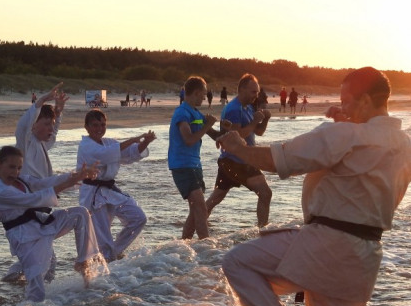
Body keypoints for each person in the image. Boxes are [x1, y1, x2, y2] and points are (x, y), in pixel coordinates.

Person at [219, 67, 411, 306]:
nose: (342, 107)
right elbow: (365, 178)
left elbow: (280, 159)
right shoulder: (408, 148)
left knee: (238, 262)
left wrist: (238, 148)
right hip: (364, 257)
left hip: (324, 245)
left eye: (347, 101)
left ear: (366, 101)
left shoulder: (344, 136)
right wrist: (349, 124)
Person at [0, 146, 103, 302]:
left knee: (80, 214)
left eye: (19, 168)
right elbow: (34, 199)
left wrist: (77, 175)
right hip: (24, 237)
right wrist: (68, 183)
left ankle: (83, 262)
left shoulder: (20, 180)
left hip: (41, 224)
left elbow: (45, 183)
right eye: (11, 167)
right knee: (37, 290)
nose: (15, 172)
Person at [5, 83, 68, 281]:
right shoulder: (26, 144)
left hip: (39, 210)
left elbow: (53, 134)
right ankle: (43, 296)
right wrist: (41, 101)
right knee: (49, 262)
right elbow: (23, 126)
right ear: (34, 125)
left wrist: (58, 112)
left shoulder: (41, 144)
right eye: (46, 124)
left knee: (31, 262)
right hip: (29, 212)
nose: (51, 128)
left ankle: (7, 289)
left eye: (52, 124)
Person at [76, 109, 156, 261]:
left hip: (110, 191)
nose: (100, 128)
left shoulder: (109, 142)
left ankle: (115, 251)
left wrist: (145, 142)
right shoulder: (86, 145)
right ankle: (106, 261)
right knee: (104, 239)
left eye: (103, 125)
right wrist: (132, 140)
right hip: (92, 194)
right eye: (95, 125)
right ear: (86, 127)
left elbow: (130, 153)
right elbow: (105, 155)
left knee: (138, 218)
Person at [206, 73, 273, 228]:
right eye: (253, 92)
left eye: (257, 92)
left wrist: (265, 119)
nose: (256, 95)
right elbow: (238, 137)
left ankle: (197, 222)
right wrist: (255, 121)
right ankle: (263, 231)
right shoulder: (234, 109)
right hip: (235, 161)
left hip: (242, 160)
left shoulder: (248, 107)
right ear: (242, 89)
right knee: (265, 193)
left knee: (216, 198)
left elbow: (258, 132)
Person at [168, 76, 217, 240]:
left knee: (195, 209)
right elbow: (188, 139)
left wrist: (225, 130)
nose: (205, 97)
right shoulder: (182, 113)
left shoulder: (196, 113)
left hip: (195, 164)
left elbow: (215, 135)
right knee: (201, 207)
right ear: (196, 93)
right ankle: (207, 246)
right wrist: (207, 125)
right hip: (182, 165)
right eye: (203, 94)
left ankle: (184, 245)